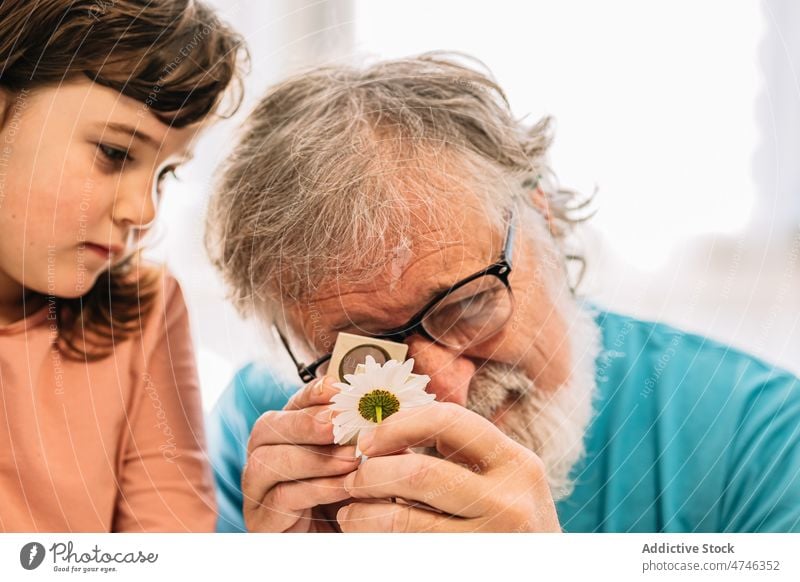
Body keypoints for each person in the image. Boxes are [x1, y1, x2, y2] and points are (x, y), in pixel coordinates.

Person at [204, 54, 800, 533]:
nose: (443, 394)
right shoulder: (266, 447)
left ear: (547, 222)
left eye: (466, 306)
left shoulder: (764, 442)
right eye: (366, 351)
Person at [0, 0, 245, 531]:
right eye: (115, 153)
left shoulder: (145, 308)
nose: (144, 210)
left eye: (164, 175)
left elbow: (167, 547)